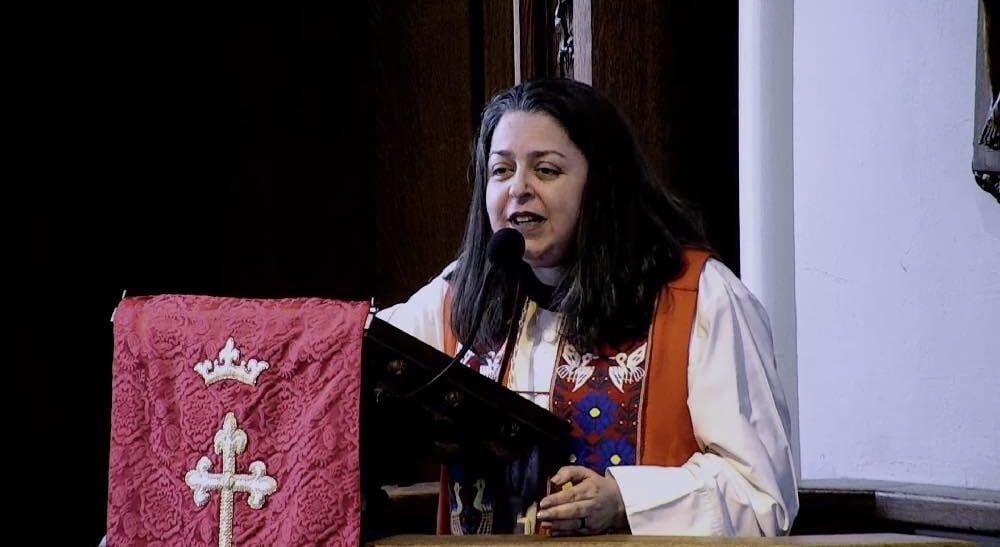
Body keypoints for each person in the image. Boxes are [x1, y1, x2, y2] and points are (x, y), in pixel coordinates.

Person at [377, 78, 798, 536]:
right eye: (501, 171)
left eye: (546, 170)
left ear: (601, 184)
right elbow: (353, 360)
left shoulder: (699, 298)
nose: (518, 189)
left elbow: (761, 499)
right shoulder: (461, 296)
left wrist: (624, 501)